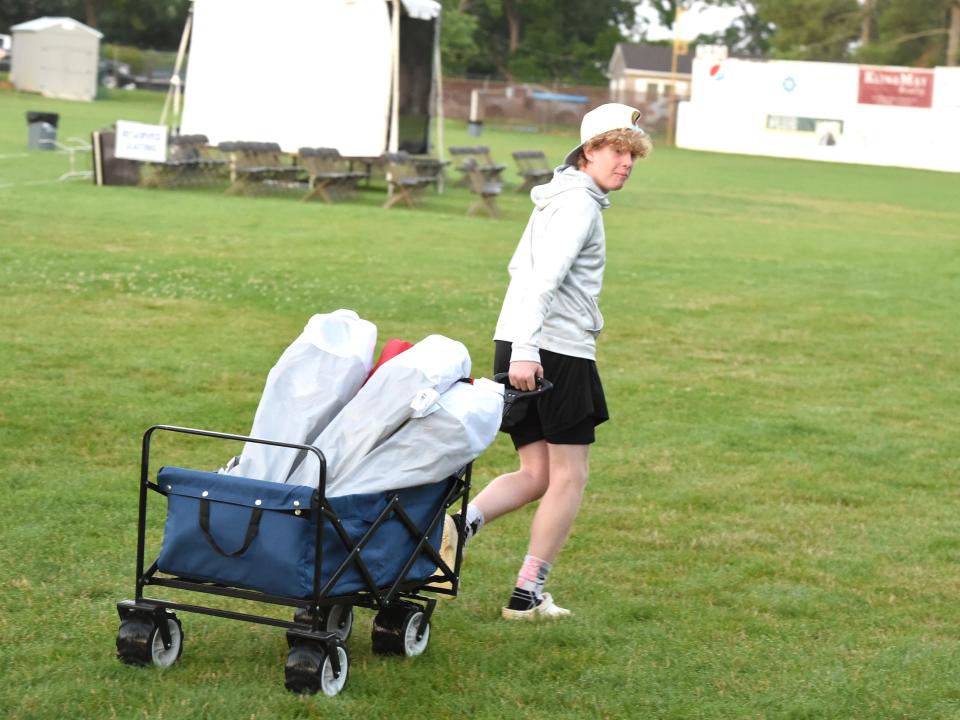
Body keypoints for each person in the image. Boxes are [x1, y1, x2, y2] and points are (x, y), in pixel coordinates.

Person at [456, 103, 651, 620]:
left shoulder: (560, 197)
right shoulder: (579, 205)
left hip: (526, 341)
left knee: (537, 472)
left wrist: (519, 345)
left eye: (632, 153)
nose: (626, 162)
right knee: (570, 476)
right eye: (616, 150)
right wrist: (526, 351)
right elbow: (541, 279)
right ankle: (528, 594)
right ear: (588, 151)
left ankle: (451, 533)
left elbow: (524, 273)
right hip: (553, 350)